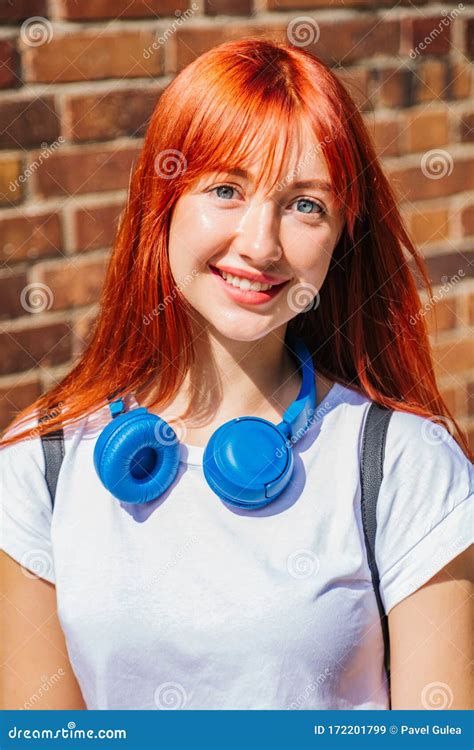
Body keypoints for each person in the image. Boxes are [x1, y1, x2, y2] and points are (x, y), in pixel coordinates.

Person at [0, 37, 472, 712]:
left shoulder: (403, 463)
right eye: (226, 189)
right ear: (162, 201)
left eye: (306, 204)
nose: (259, 243)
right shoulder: (40, 464)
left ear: (340, 236)